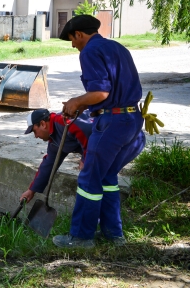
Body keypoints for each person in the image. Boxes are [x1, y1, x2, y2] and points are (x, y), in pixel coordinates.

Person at [56, 14, 146, 248]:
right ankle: (113, 234)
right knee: (106, 177)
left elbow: (101, 93)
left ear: (79, 34)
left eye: (72, 40)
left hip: (112, 122)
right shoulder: (117, 47)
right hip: (133, 119)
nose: (73, 45)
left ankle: (81, 237)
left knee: (88, 178)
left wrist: (76, 101)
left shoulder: (89, 51)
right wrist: (83, 105)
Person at [19, 109, 93, 204]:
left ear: (43, 124)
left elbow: (88, 132)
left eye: (34, 131)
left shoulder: (63, 121)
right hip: (97, 148)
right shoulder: (54, 140)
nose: (36, 136)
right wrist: (31, 190)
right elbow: (49, 164)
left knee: (89, 177)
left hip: (107, 138)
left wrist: (85, 158)